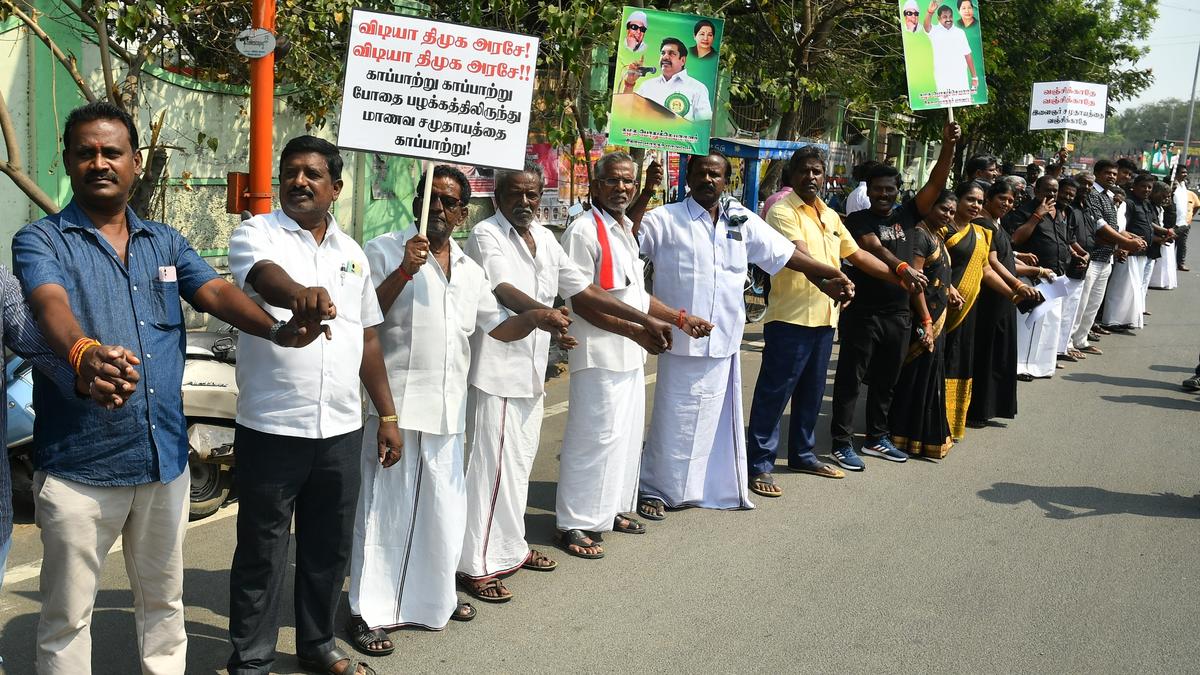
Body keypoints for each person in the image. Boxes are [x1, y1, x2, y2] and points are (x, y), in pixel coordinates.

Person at [14, 102, 324, 675]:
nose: (99, 163)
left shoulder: (165, 242)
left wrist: (277, 330)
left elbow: (216, 292)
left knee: (163, 607)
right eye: (86, 153)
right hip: (82, 466)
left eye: (112, 152)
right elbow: (48, 301)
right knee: (66, 618)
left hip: (164, 461)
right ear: (68, 161)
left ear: (135, 162)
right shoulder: (41, 240)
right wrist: (82, 352)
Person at [346, 166, 569, 654]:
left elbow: (497, 327)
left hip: (448, 412)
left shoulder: (469, 269)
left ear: (463, 213)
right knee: (384, 513)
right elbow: (365, 321)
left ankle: (433, 601)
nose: (439, 210)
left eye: (450, 203)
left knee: (442, 513)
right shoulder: (383, 250)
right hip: (396, 412)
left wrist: (537, 317)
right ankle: (367, 611)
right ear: (416, 204)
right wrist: (404, 271)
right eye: (432, 199)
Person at [226, 135, 404, 675]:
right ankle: (252, 660)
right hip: (272, 426)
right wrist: (299, 293)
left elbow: (367, 337)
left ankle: (317, 645)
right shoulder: (256, 232)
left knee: (328, 549)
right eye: (291, 172)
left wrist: (387, 415)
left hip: (341, 429)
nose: (299, 181)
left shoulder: (353, 254)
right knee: (262, 551)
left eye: (312, 174)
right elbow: (264, 277)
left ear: (336, 187)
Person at [459, 160, 672, 601]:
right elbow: (502, 288)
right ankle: (476, 564)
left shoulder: (544, 238)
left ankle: (511, 549)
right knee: (489, 472)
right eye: (516, 193)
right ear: (497, 196)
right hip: (497, 368)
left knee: (518, 467)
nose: (525, 202)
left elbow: (585, 290)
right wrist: (543, 313)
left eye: (532, 194)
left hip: (531, 368)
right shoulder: (486, 234)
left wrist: (643, 321)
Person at [638, 151, 852, 506]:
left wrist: (827, 274)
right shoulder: (664, 218)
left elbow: (783, 253)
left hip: (723, 340)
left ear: (727, 181)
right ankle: (657, 489)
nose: (709, 180)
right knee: (675, 421)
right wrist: (646, 192)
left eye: (716, 175)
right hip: (680, 339)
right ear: (688, 178)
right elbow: (627, 241)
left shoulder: (738, 218)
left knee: (712, 422)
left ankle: (703, 488)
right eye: (702, 173)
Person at [555, 152, 713, 557]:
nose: (621, 188)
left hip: (629, 355)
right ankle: (575, 522)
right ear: (596, 185)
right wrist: (637, 330)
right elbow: (582, 302)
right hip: (599, 354)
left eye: (628, 181)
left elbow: (635, 295)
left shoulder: (623, 228)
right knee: (593, 439)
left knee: (624, 440)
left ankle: (610, 511)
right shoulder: (583, 231)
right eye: (613, 180)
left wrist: (680, 319)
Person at [746, 145, 901, 481]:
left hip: (825, 320)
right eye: (804, 170)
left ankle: (802, 455)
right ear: (792, 174)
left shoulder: (830, 215)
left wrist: (901, 277)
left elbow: (857, 255)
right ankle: (759, 465)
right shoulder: (782, 211)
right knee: (774, 395)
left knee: (811, 396)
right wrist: (834, 279)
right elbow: (800, 256)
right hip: (790, 319)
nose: (811, 176)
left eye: (817, 171)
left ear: (824, 175)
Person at [828, 122, 958, 474]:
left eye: (890, 189)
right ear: (868, 191)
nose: (883, 194)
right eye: (878, 189)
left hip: (899, 315)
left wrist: (948, 146)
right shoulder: (858, 220)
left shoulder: (908, 214)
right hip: (864, 314)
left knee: (886, 381)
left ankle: (876, 437)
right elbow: (871, 246)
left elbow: (936, 183)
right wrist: (902, 268)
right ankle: (841, 442)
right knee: (851, 380)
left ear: (899, 191)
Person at [940, 181, 1036, 441]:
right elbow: (935, 265)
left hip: (969, 307)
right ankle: (933, 418)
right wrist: (948, 288)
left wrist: (1015, 290)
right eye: (970, 200)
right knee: (942, 360)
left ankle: (953, 417)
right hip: (945, 307)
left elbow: (987, 268)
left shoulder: (982, 232)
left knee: (961, 359)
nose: (975, 205)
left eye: (979, 201)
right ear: (957, 200)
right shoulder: (943, 230)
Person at [967, 179, 1047, 428]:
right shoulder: (982, 223)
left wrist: (1033, 270)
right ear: (989, 198)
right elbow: (991, 263)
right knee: (987, 352)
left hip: (1003, 296)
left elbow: (1006, 258)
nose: (1007, 204)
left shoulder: (995, 223)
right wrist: (1016, 285)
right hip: (990, 296)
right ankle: (978, 409)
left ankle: (991, 407)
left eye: (1011, 201)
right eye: (1002, 199)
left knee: (999, 352)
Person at [889, 190, 957, 458]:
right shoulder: (920, 235)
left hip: (937, 316)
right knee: (917, 376)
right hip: (923, 318)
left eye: (952, 211)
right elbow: (915, 282)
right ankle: (906, 436)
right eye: (944, 209)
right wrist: (927, 321)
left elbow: (938, 273)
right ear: (929, 207)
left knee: (929, 376)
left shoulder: (936, 235)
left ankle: (920, 437)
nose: (948, 215)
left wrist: (951, 290)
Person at [1005, 176, 1070, 380]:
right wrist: (1036, 216)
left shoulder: (1060, 212)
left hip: (1055, 277)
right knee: (1029, 325)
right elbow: (1015, 239)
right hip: (1033, 277)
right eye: (1047, 190)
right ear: (1037, 190)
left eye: (1054, 191)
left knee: (1050, 324)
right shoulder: (1024, 211)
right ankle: (1020, 367)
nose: (1051, 194)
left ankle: (1042, 365)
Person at [1102, 173, 1160, 331]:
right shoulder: (1129, 203)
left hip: (1141, 253)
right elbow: (1121, 227)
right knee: (1121, 287)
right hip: (1128, 250)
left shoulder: (1146, 203)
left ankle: (1126, 319)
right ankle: (1112, 320)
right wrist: (1125, 246)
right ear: (1134, 187)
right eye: (1143, 186)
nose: (1146, 190)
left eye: (1149, 187)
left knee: (1133, 288)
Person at [622, 38, 713, 122]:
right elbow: (625, 113)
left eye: (671, 53)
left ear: (682, 60)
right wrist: (629, 83)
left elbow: (703, 125)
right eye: (663, 53)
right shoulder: (647, 85)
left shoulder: (697, 88)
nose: (665, 57)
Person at [1053, 177, 1092, 363]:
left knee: (1069, 311)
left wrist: (1083, 254)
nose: (1067, 197)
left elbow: (1070, 239)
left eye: (1071, 194)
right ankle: (1054, 352)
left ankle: (1061, 348)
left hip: (1074, 266)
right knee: (1057, 313)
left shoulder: (1067, 211)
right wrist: (1076, 254)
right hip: (1060, 269)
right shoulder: (1051, 211)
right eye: (1065, 192)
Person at [922, 0, 979, 97]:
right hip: (942, 77)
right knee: (946, 102)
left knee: (963, 100)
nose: (948, 19)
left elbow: (968, 55)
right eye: (945, 17)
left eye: (950, 16)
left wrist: (974, 77)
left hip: (960, 75)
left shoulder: (960, 33)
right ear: (939, 18)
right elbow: (926, 27)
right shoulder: (934, 31)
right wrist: (930, 12)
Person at [1147, 180, 1178, 290]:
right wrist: (1166, 232)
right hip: (1147, 245)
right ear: (1155, 193)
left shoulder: (1159, 207)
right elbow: (1148, 223)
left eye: (1168, 196)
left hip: (1157, 244)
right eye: (1164, 196)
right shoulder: (1148, 205)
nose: (1166, 199)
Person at [1173, 166, 1191, 271]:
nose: (1185, 174)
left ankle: (1181, 263)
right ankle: (1169, 264)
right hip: (1174, 221)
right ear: (1176, 173)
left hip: (1183, 221)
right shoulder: (1172, 184)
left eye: (1186, 172)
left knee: (1182, 244)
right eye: (1183, 172)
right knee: (1171, 245)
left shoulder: (1184, 184)